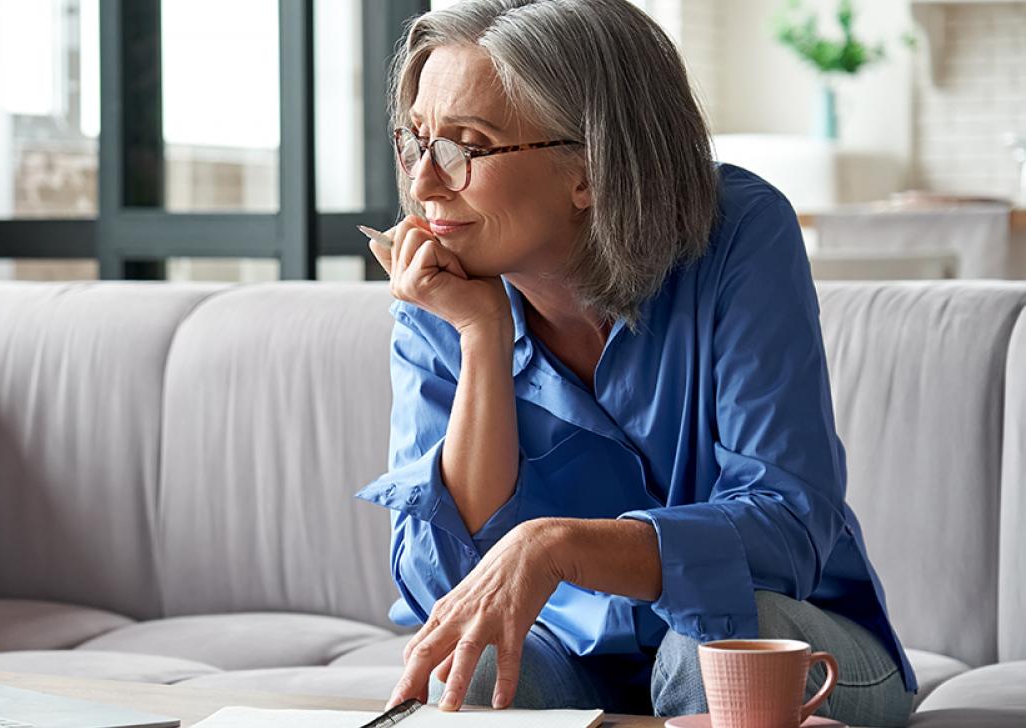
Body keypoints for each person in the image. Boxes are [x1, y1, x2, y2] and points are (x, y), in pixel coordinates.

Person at [352, 1, 915, 725]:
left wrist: (559, 546)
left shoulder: (739, 233)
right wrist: (482, 339)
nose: (425, 184)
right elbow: (446, 588)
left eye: (466, 145)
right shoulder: (441, 295)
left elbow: (789, 527)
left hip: (787, 634)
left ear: (589, 168)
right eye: (416, 141)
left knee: (709, 647)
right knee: (482, 665)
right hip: (572, 657)